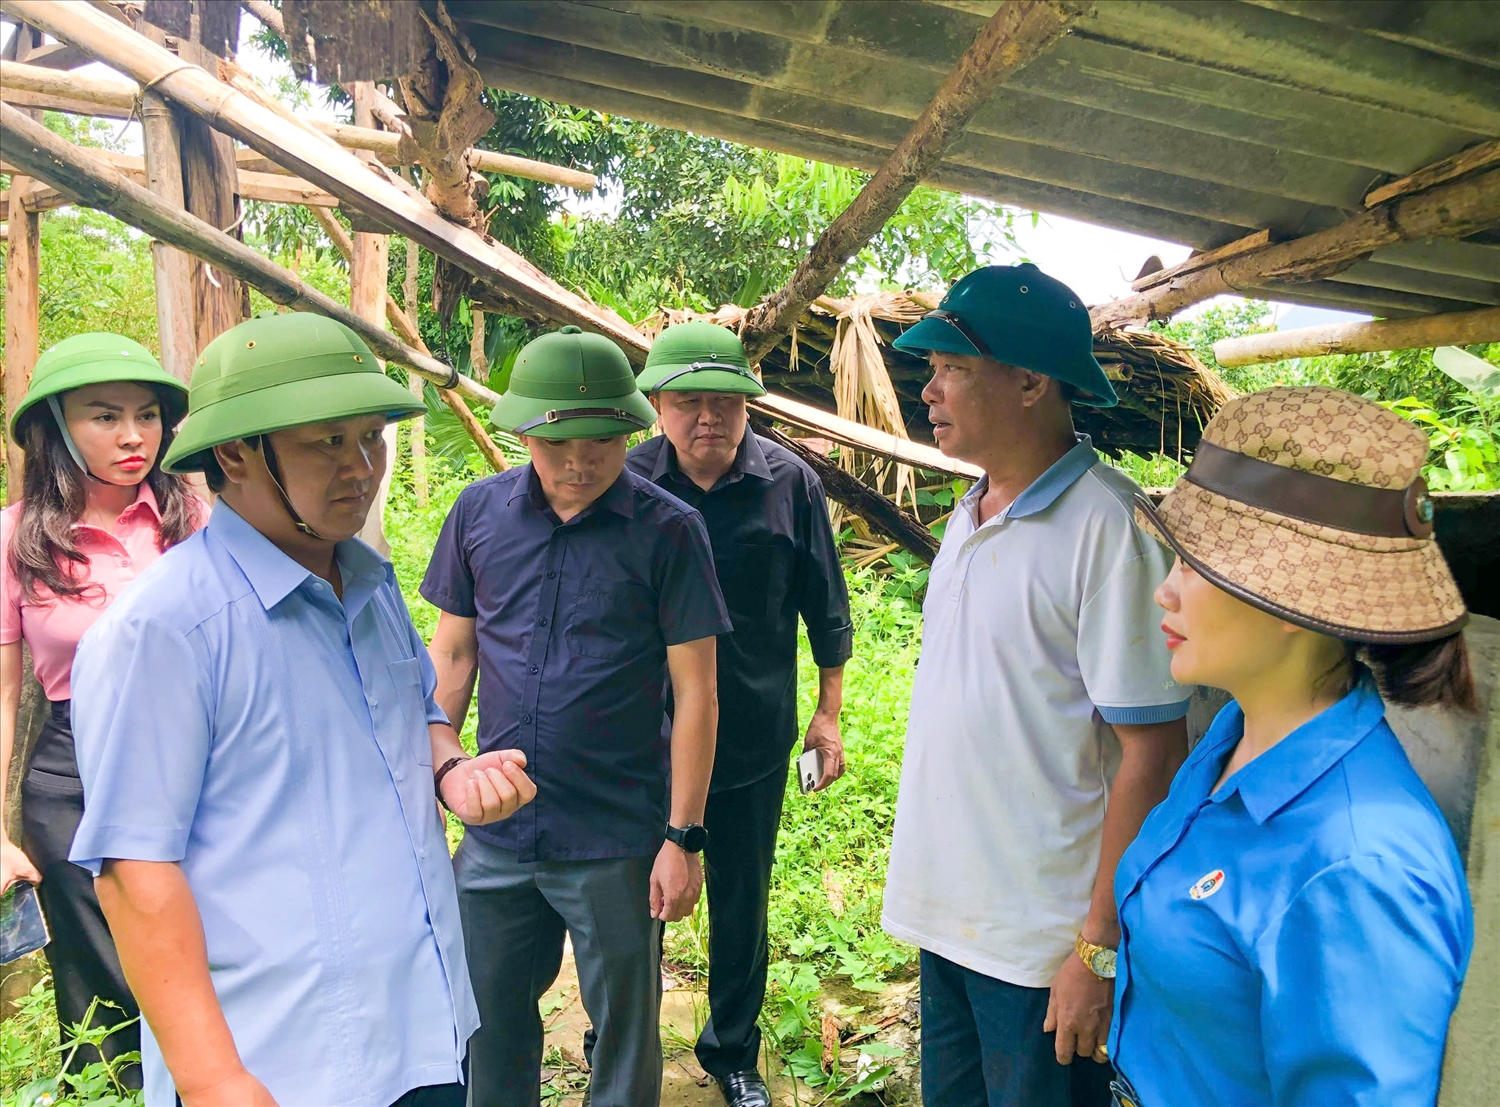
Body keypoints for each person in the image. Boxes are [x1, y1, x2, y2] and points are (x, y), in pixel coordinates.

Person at [66, 312, 536, 1107]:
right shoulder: (167, 631)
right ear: (236, 452)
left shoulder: (371, 582)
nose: (362, 467)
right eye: (327, 441)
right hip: (285, 1064)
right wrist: (215, 1079)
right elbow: (133, 870)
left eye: (371, 436)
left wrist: (451, 769)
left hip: (427, 1025)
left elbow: (419, 712)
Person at [880, 263, 1190, 1107]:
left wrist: (1096, 945)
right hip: (949, 916)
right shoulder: (970, 509)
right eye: (933, 371)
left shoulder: (1107, 525)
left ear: (1028, 382)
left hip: (1038, 945)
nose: (930, 390)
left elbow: (1154, 751)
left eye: (953, 369)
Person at [1112, 385, 1474, 1107]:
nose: (1166, 590)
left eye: (1194, 561)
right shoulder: (1233, 738)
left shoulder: (1360, 866)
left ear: (1290, 601)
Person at [422, 325, 730, 1107]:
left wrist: (682, 836)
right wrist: (436, 773)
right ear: (524, 430)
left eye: (601, 441)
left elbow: (696, 690)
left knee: (624, 1027)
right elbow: (453, 657)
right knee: (484, 1019)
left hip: (614, 833)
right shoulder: (478, 514)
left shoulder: (668, 531)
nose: (579, 462)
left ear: (631, 429)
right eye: (557, 443)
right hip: (496, 831)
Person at [625, 321, 853, 1107]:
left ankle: (730, 1050)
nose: (706, 419)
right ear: (657, 404)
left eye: (724, 402)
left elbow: (827, 608)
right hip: (645, 737)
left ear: (748, 406)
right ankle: (619, 1040)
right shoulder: (629, 482)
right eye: (687, 402)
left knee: (741, 896)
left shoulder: (791, 485)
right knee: (635, 892)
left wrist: (828, 715)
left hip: (753, 733)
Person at [1, 334, 199, 1083]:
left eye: (147, 415)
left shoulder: (192, 523)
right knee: (98, 982)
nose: (133, 436)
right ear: (54, 424)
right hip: (69, 774)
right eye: (104, 416)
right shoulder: (16, 538)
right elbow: (2, 691)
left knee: (198, 956)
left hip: (189, 763)